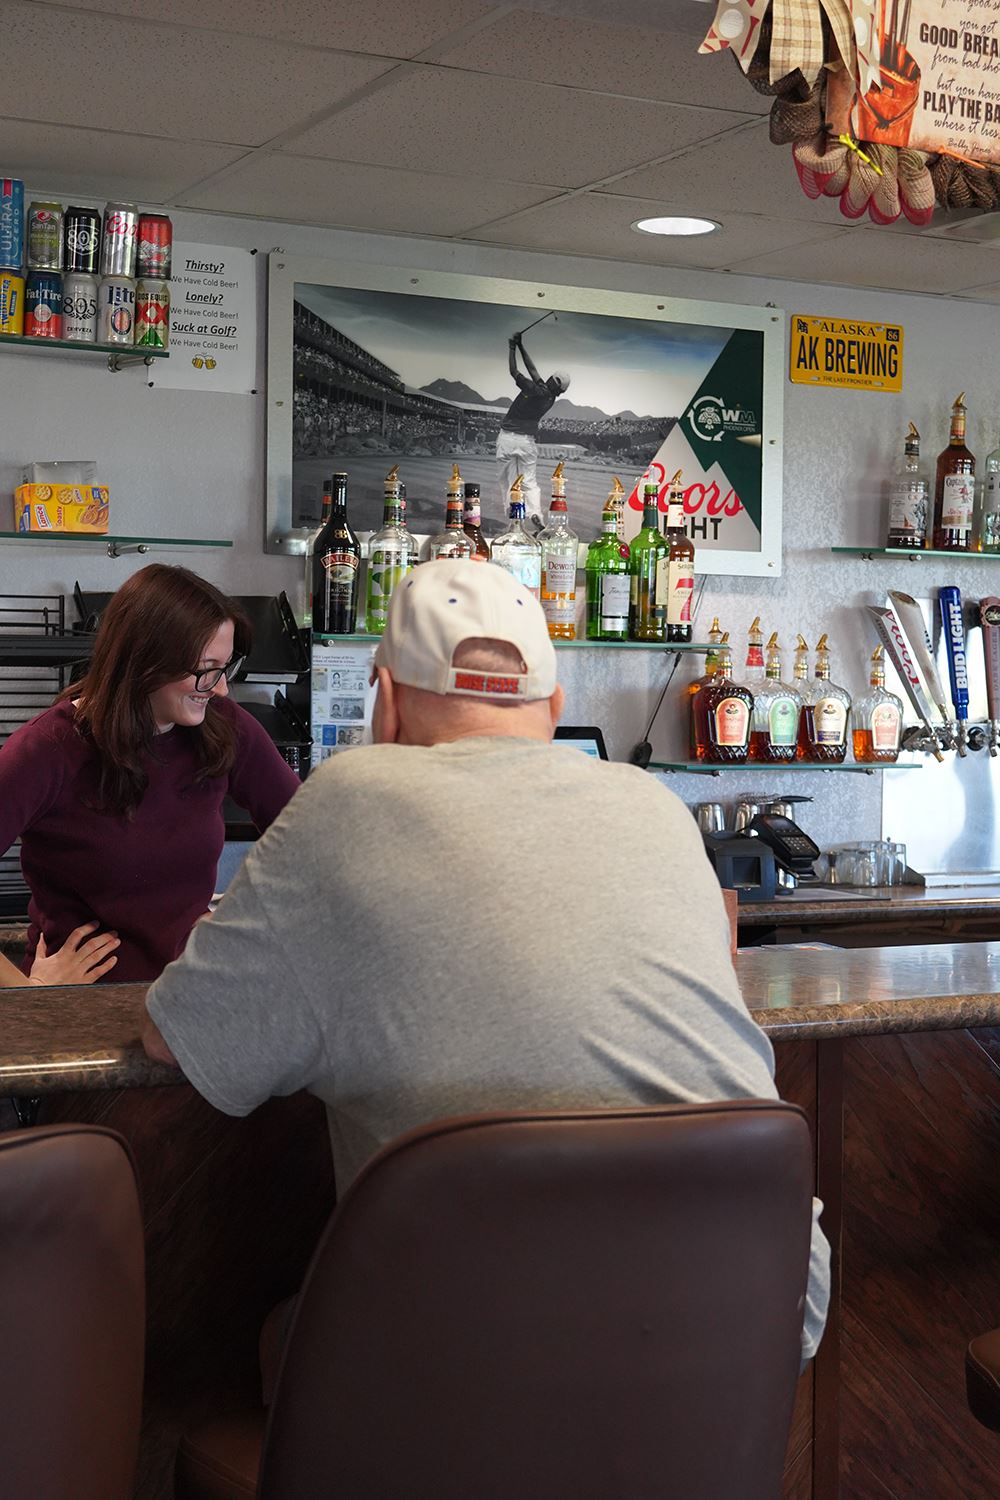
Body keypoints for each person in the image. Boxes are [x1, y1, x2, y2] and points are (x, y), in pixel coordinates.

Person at [143, 560, 829, 1362]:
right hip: (740, 1337)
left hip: (462, 1376)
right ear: (556, 708)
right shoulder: (657, 809)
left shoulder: (349, 798)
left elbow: (178, 1038)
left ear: (386, 702)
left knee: (270, 1346)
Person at [0, 564, 301, 984]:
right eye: (205, 668)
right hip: (85, 1008)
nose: (220, 688)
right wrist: (29, 991)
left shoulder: (222, 725)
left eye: (225, 666)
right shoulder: (46, 750)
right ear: (145, 662)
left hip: (190, 996)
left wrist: (244, 922)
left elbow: (310, 839)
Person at [495, 331, 570, 523]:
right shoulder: (550, 396)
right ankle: (535, 514)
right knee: (529, 482)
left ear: (552, 380)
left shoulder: (535, 389)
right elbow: (532, 369)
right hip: (528, 443)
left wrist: (511, 348)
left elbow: (514, 371)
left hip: (508, 439)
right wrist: (521, 346)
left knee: (508, 481)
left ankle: (515, 518)